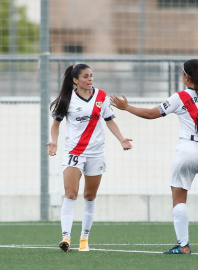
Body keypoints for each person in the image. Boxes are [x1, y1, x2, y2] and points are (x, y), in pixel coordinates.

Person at [110, 59, 198, 255]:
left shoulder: (181, 97)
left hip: (188, 149)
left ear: (186, 77)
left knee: (179, 197)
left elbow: (151, 114)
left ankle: (183, 245)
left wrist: (126, 107)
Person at [47, 64, 133, 252]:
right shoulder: (66, 99)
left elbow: (109, 121)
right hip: (74, 153)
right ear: (75, 80)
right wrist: (54, 142)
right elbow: (56, 124)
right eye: (85, 76)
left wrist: (122, 140)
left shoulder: (102, 96)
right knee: (70, 193)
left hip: (96, 153)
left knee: (90, 196)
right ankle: (66, 237)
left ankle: (84, 238)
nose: (90, 79)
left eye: (91, 76)